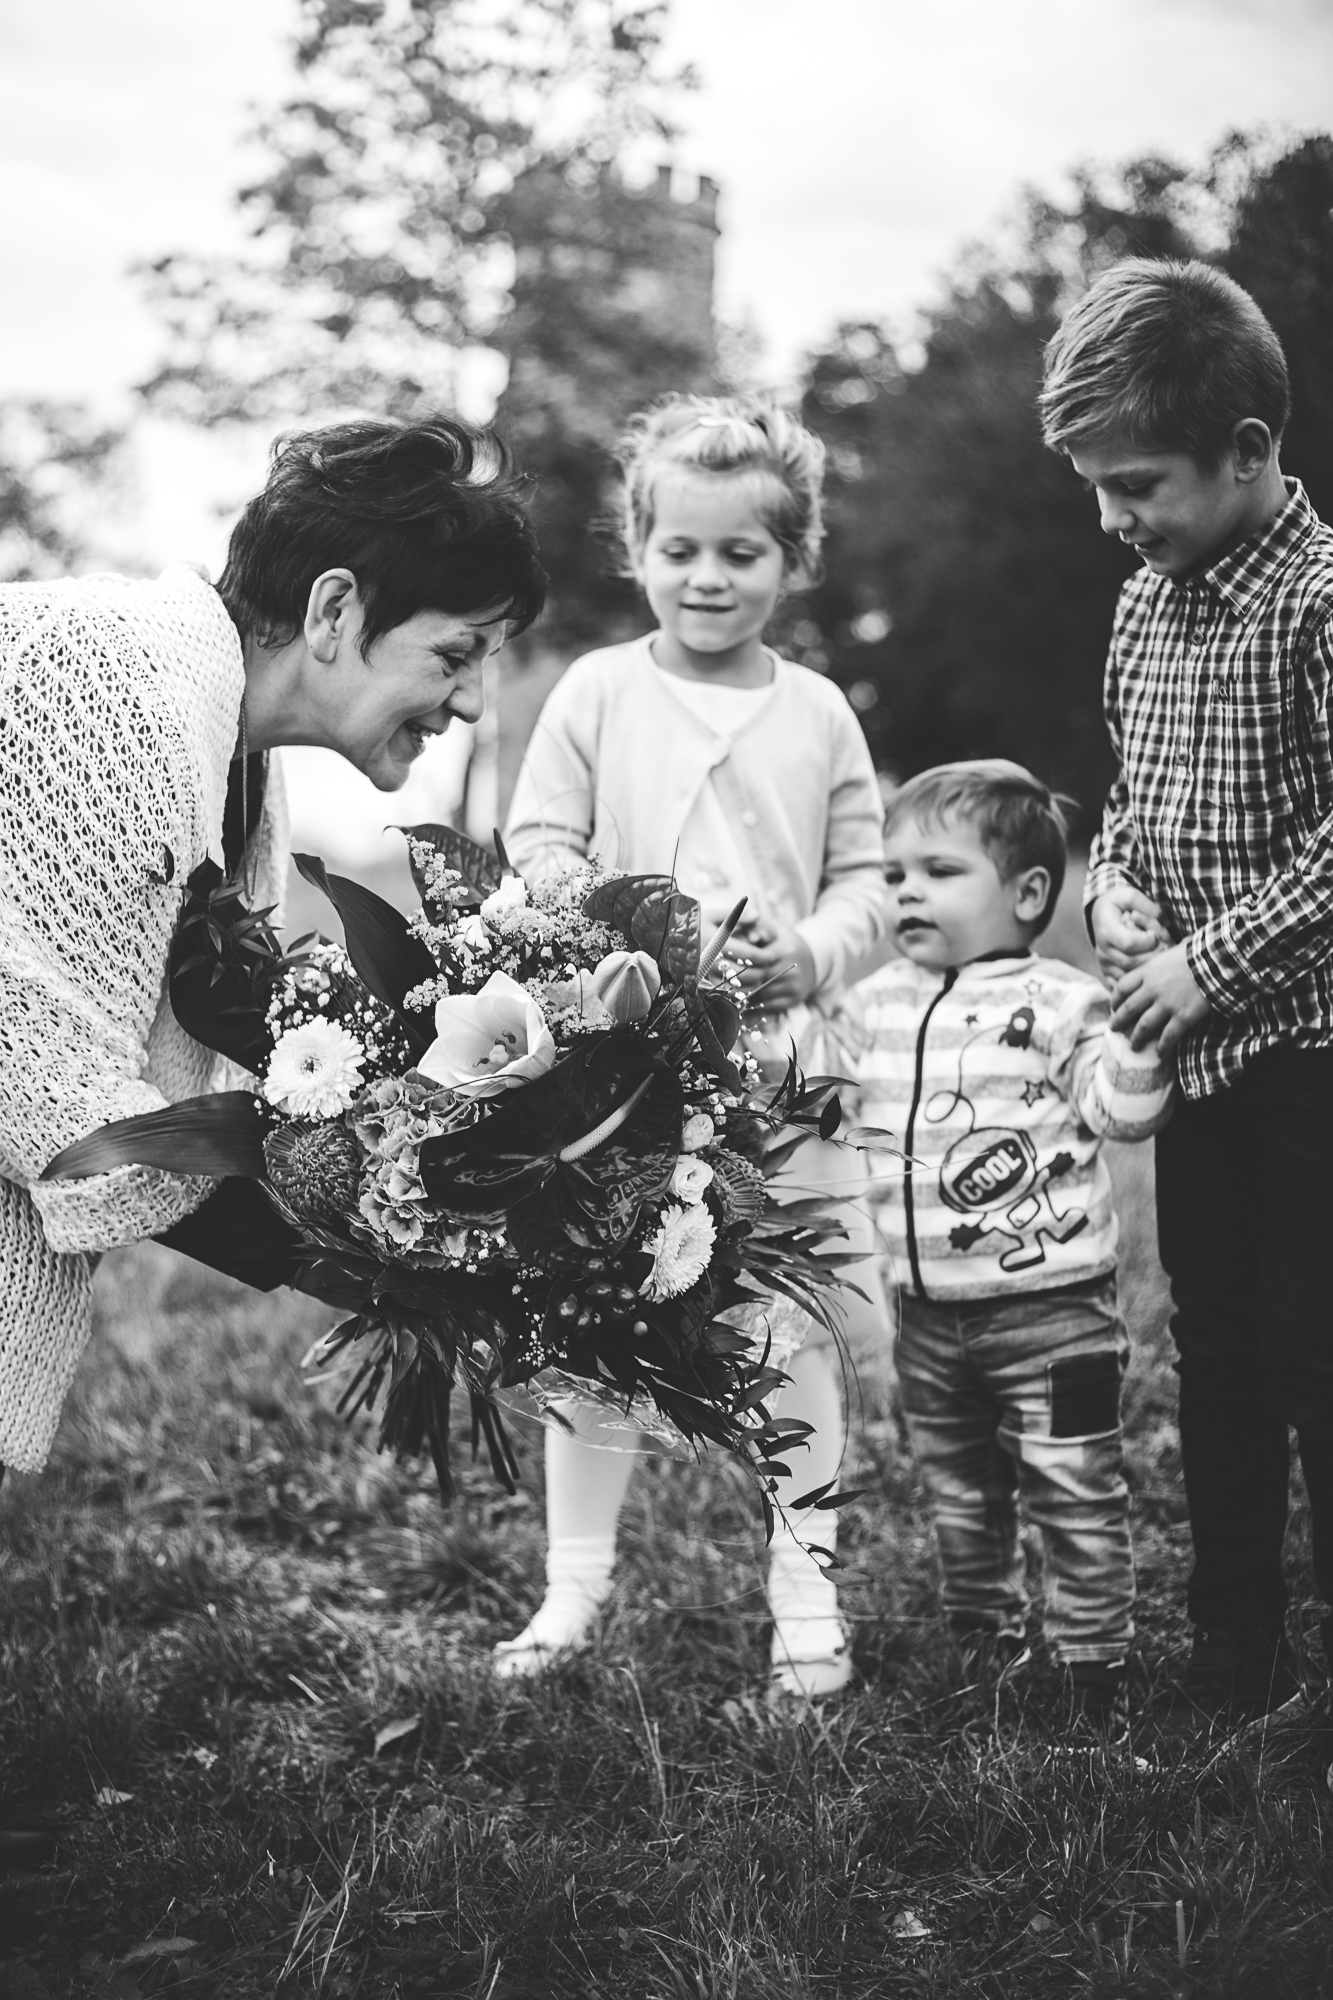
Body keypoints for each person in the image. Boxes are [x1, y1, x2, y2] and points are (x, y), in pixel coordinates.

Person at [0, 415, 545, 1486]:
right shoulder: (117, 692)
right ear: (335, 609)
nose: (475, 699)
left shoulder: (234, 762)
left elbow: (221, 1080)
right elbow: (43, 1076)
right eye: (454, 653)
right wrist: (389, 1253)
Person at [498, 394, 891, 1695]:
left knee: (796, 1327)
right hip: (628, 1071)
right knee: (591, 1327)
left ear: (794, 560)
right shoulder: (599, 693)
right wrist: (598, 930)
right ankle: (573, 1588)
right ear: (639, 549)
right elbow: (539, 843)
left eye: (742, 553)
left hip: (785, 1070)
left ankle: (804, 1594)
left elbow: (868, 882)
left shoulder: (819, 712)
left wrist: (815, 949)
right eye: (681, 550)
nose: (708, 577)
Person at [1040, 257, 1333, 1723]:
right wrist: (1116, 895)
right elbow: (1134, 791)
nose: (1113, 517)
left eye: (1137, 482)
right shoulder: (1143, 603)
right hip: (1198, 1056)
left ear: (1251, 453)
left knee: (1313, 1342)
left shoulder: (1323, 602)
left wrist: (1206, 958)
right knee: (1212, 1338)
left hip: (1311, 1044)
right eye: (1095, 488)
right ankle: (1234, 1647)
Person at [845, 761, 1173, 1730]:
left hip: (1053, 1312)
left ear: (1028, 891)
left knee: (1072, 1485)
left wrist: (1142, 1041)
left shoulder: (1066, 1002)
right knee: (957, 1488)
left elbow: (1122, 1114)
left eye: (938, 870)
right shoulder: (877, 1004)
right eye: (894, 871)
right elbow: (817, 1094)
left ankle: (1091, 1663)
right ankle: (981, 1633)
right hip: (927, 1316)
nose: (906, 890)